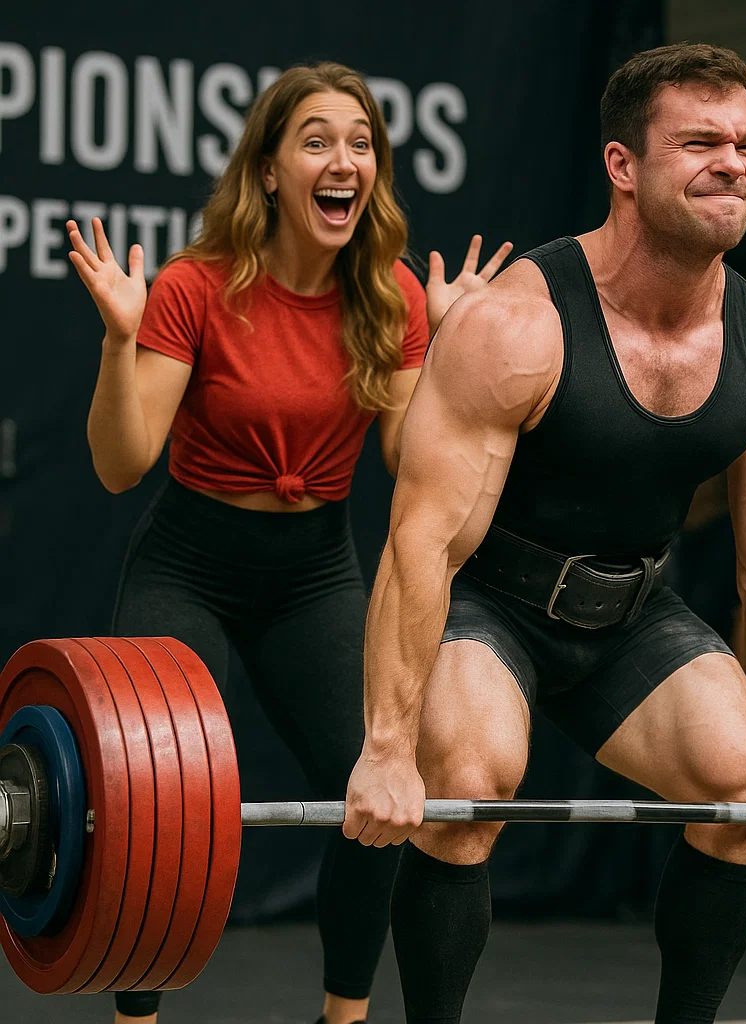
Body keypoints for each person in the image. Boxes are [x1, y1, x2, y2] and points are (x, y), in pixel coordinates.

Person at [343, 42, 746, 1024]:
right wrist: (388, 747)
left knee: (738, 794)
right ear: (622, 167)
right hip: (493, 603)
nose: (732, 163)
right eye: (698, 141)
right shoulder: (517, 329)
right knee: (468, 787)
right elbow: (425, 545)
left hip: (633, 611)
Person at [66, 62, 511, 1024]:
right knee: (156, 800)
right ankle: (135, 1018)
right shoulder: (196, 287)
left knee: (380, 790)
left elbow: (406, 456)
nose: (342, 159)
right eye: (316, 140)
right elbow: (119, 463)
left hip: (313, 572)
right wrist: (118, 341)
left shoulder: (386, 294)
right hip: (190, 560)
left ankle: (341, 1020)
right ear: (268, 170)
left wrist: (453, 349)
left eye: (360, 143)